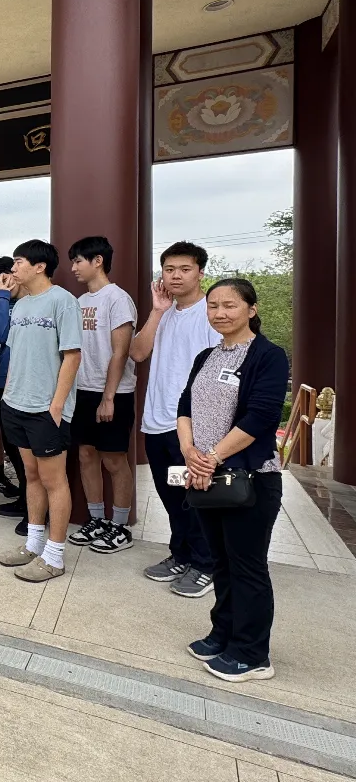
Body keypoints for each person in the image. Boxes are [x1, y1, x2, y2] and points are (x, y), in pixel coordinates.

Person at [178, 279, 287, 683]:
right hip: (206, 477)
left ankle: (253, 653)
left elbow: (261, 417)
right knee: (221, 561)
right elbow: (184, 404)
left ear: (252, 310)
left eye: (230, 305)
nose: (220, 313)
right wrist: (190, 452)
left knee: (248, 566)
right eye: (213, 306)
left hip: (249, 479)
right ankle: (222, 633)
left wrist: (212, 457)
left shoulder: (268, 356)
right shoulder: (207, 355)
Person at [132, 241, 222, 597]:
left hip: (193, 427)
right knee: (171, 496)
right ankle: (181, 554)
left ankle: (205, 563)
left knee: (197, 498)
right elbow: (138, 352)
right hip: (157, 420)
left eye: (184, 269)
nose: (176, 276)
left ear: (200, 272)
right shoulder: (164, 311)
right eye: (169, 270)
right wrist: (157, 311)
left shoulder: (212, 313)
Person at [0, 240, 82, 583]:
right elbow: (14, 353)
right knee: (30, 476)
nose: (12, 270)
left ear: (39, 266)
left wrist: (57, 406)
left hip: (47, 410)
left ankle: (55, 557)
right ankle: (33, 544)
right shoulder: (22, 305)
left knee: (54, 481)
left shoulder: (62, 301)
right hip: (15, 404)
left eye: (18, 263)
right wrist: (8, 395)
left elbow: (72, 356)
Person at [65, 237, 138, 555]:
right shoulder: (79, 302)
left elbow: (121, 353)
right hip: (82, 391)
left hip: (114, 393)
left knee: (114, 459)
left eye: (78, 261)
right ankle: (96, 519)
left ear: (97, 261)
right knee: (85, 455)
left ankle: (120, 525)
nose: (73, 268)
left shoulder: (118, 299)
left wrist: (108, 397)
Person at [0, 256, 28, 523]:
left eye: (5, 277)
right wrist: (1, 297)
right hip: (5, 382)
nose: (2, 284)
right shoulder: (0, 304)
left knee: (29, 450)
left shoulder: (34, 301)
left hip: (29, 382)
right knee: (12, 444)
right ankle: (25, 497)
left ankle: (34, 504)